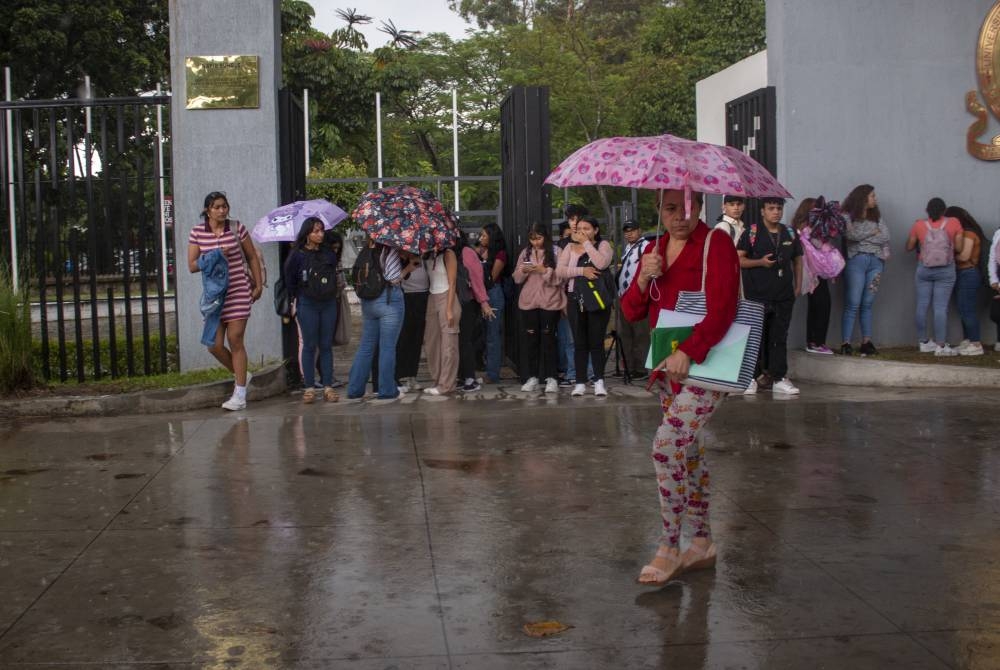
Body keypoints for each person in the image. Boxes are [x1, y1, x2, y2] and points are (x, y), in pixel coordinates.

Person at [621, 188, 739, 586]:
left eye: (689, 208)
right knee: (688, 452)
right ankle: (702, 542)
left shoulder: (715, 243)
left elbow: (725, 308)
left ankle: (670, 547)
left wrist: (690, 349)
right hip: (667, 371)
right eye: (671, 208)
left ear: (701, 208)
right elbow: (631, 310)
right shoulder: (652, 248)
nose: (681, 217)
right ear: (659, 210)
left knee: (665, 448)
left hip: (705, 367)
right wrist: (643, 277)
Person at [187, 191, 263, 411]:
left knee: (235, 338)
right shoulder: (197, 233)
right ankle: (242, 375)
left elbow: (251, 256)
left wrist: (257, 284)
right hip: (214, 296)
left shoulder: (237, 227)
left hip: (238, 289)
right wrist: (217, 253)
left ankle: (239, 395)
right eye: (217, 207)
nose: (222, 211)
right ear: (207, 210)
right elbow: (192, 265)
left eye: (224, 206)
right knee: (214, 345)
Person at [737, 198, 803, 395]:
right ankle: (750, 377)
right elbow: (738, 259)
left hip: (783, 294)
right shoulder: (751, 233)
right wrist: (760, 262)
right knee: (755, 336)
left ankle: (779, 377)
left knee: (779, 336)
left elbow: (798, 261)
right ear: (763, 211)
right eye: (771, 208)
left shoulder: (790, 233)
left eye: (779, 208)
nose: (776, 212)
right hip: (757, 294)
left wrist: (798, 286)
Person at [346, 240, 412, 401]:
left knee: (366, 347)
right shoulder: (389, 249)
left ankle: (354, 389)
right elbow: (393, 278)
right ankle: (387, 389)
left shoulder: (368, 249)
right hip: (389, 301)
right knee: (387, 347)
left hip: (369, 303)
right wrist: (409, 267)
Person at [556, 215, 614, 397]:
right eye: (579, 228)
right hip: (575, 298)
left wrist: (587, 244)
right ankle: (580, 382)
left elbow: (602, 263)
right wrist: (582, 271)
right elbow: (560, 271)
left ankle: (598, 381)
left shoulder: (602, 245)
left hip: (597, 299)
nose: (582, 232)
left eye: (587, 228)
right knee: (579, 343)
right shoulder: (569, 247)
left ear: (596, 230)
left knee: (596, 342)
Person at [283, 217, 339, 403]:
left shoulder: (328, 253)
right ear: (307, 233)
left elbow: (333, 272)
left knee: (326, 345)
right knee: (309, 345)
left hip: (328, 302)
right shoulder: (297, 255)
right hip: (307, 303)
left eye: (322, 230)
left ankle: (328, 386)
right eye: (316, 231)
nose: (320, 234)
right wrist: (295, 299)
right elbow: (289, 279)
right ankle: (309, 387)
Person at [906, 197, 965, 356]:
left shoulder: (919, 225)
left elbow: (909, 247)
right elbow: (959, 248)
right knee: (940, 307)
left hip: (924, 268)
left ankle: (923, 342)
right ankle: (941, 345)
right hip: (946, 270)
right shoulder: (954, 223)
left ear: (927, 210)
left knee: (922, 304)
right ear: (944, 210)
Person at [513, 223, 565, 393]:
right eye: (532, 239)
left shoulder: (556, 252)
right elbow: (516, 278)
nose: (535, 242)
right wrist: (524, 270)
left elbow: (561, 278)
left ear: (546, 236)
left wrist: (545, 271)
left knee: (548, 339)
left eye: (539, 238)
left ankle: (552, 378)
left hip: (550, 302)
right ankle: (532, 377)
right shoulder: (525, 253)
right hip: (529, 302)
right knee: (531, 341)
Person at [840, 184, 890, 357]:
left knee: (868, 303)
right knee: (853, 302)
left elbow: (885, 236)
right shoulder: (847, 216)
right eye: (872, 196)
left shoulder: (877, 216)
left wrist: (866, 236)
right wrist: (871, 233)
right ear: (862, 198)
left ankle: (866, 341)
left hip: (876, 263)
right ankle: (846, 342)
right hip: (857, 261)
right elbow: (850, 236)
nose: (875, 199)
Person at [792, 197, 835, 355]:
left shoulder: (799, 228)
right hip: (816, 273)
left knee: (815, 307)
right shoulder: (809, 230)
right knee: (823, 306)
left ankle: (812, 341)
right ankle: (817, 342)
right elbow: (819, 247)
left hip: (809, 272)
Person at [944, 206, 988, 356]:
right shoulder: (964, 232)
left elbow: (964, 256)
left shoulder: (969, 233)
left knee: (967, 309)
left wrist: (947, 257)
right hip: (962, 274)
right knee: (963, 308)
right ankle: (968, 341)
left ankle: (976, 343)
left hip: (968, 273)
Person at [457, 234, 496, 392]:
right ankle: (462, 376)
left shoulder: (466, 252)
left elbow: (476, 278)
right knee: (460, 341)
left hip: (468, 301)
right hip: (458, 301)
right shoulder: (448, 252)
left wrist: (483, 302)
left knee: (465, 340)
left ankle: (469, 377)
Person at [615, 218, 651, 379]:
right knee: (625, 333)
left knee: (640, 333)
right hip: (624, 296)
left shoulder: (645, 246)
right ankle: (628, 367)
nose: (629, 234)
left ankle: (640, 368)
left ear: (640, 230)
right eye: (626, 231)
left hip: (638, 296)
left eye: (632, 230)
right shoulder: (628, 248)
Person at [421, 247, 460, 395]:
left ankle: (447, 385)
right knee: (432, 343)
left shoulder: (449, 254)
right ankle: (437, 380)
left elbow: (453, 283)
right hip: (432, 296)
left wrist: (449, 309)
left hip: (446, 297)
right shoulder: (427, 255)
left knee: (448, 345)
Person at [557, 204, 588, 385]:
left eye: (575, 218)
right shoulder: (564, 244)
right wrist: (582, 271)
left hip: (590, 295)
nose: (573, 223)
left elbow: (598, 267)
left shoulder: (595, 242)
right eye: (570, 219)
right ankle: (572, 373)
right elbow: (561, 272)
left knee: (589, 338)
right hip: (570, 294)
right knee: (570, 338)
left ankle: (591, 373)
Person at [477, 223, 508, 383]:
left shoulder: (500, 254)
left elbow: (492, 277)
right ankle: (486, 367)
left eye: (484, 235)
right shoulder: (481, 250)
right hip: (480, 293)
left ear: (492, 237)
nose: (480, 238)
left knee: (493, 335)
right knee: (483, 333)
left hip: (493, 292)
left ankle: (493, 373)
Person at [396, 251, 430, 392]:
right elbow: (395, 279)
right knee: (403, 339)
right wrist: (408, 266)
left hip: (423, 297)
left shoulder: (425, 259)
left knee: (417, 339)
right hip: (406, 298)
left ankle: (412, 375)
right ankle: (398, 375)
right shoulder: (398, 260)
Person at [989, 226, 1000, 351]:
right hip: (998, 279)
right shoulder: (998, 233)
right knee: (996, 313)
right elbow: (992, 258)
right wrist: (993, 280)